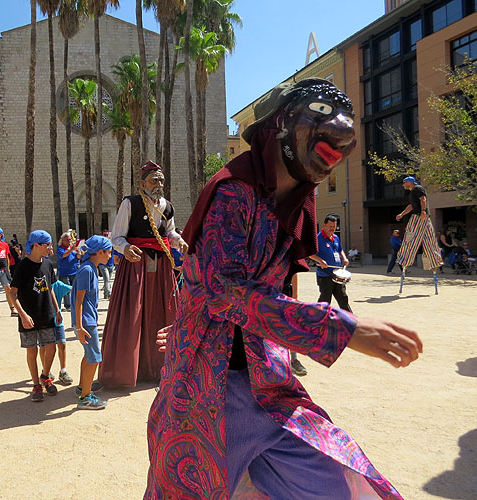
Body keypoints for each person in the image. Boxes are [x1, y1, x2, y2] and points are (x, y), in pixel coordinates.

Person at [145, 78, 422, 500]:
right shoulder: (233, 191)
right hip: (207, 391)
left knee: (339, 486)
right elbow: (223, 288)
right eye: (321, 117)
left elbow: (263, 290)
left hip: (268, 388)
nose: (339, 136)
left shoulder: (296, 204)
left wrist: (191, 321)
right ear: (280, 127)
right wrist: (341, 328)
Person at [100, 161, 187, 387]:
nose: (159, 185)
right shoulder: (131, 203)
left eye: (161, 181)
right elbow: (117, 237)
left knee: (164, 312)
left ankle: (160, 368)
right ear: (142, 184)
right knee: (133, 314)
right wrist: (126, 248)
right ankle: (127, 370)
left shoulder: (167, 206)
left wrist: (179, 241)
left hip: (162, 267)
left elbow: (169, 232)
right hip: (135, 266)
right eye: (154, 180)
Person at [9, 230, 61, 402]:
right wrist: (22, 315)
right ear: (36, 245)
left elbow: (50, 288)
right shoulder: (22, 266)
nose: (50, 247)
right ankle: (36, 385)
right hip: (28, 317)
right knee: (32, 350)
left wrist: (57, 309)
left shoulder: (48, 264)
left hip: (46, 314)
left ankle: (45, 376)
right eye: (47, 244)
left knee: (51, 348)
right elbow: (13, 293)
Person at [71, 235, 112, 409]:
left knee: (89, 355)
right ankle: (85, 398)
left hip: (87, 320)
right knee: (94, 357)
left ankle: (83, 387)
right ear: (99, 252)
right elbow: (78, 300)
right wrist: (80, 327)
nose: (110, 256)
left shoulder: (90, 268)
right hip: (86, 322)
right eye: (108, 252)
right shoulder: (87, 270)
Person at [395, 176, 443, 271]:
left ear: (410, 182)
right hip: (424, 217)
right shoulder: (413, 192)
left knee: (410, 237)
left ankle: (404, 260)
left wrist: (423, 211)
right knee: (429, 239)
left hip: (418, 216)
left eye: (405, 182)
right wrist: (402, 214)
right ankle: (434, 262)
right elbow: (411, 206)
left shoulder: (417, 188)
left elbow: (423, 199)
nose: (403, 185)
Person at [308, 215, 352, 312]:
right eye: (330, 226)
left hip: (337, 274)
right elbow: (310, 254)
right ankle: (319, 318)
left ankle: (350, 319)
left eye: (334, 226)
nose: (332, 228)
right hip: (325, 275)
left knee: (343, 299)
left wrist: (344, 258)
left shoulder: (336, 237)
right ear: (324, 225)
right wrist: (320, 261)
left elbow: (340, 250)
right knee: (325, 300)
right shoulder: (317, 238)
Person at [50, 279, 74, 385]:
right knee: (45, 347)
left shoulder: (57, 284)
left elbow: (73, 289)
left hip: (57, 320)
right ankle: (46, 371)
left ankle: (63, 371)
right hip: (44, 321)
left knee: (62, 344)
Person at [57, 231, 82, 311]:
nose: (69, 241)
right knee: (67, 290)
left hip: (74, 271)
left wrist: (78, 253)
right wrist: (71, 250)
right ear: (63, 240)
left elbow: (78, 257)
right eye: (67, 240)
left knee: (74, 289)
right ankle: (68, 305)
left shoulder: (72, 248)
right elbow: (63, 255)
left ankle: (74, 303)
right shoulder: (60, 249)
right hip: (64, 272)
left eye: (70, 239)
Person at [97, 230, 115, 299]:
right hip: (102, 264)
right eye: (104, 235)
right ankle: (109, 293)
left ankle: (105, 293)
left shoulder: (112, 243)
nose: (106, 236)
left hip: (111, 264)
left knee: (108, 280)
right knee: (107, 279)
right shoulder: (101, 244)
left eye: (107, 235)